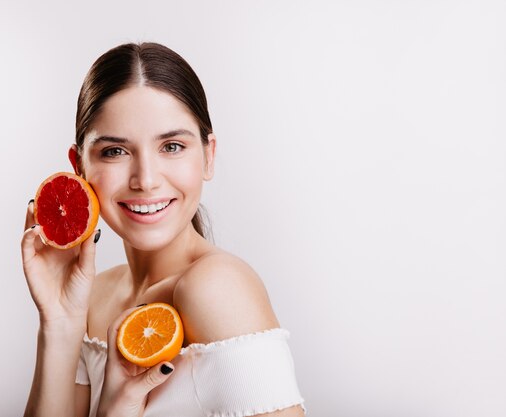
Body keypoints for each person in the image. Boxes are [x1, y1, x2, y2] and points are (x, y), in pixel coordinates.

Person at [21, 42, 306, 417]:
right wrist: (59, 322)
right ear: (79, 166)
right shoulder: (93, 297)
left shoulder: (216, 288)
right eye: (115, 151)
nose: (147, 179)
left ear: (208, 155)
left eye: (171, 146)